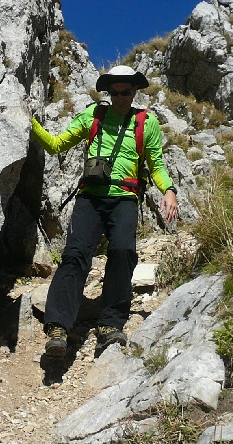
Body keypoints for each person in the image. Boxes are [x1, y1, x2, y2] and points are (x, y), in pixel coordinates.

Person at [32, 65, 178, 364]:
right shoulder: (93, 116)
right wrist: (30, 124)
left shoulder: (146, 123)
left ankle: (110, 323)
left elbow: (156, 164)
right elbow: (57, 145)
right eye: (115, 92)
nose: (121, 97)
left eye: (127, 92)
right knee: (74, 254)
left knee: (123, 251)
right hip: (90, 198)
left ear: (135, 92)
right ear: (108, 92)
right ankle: (58, 327)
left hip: (125, 198)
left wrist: (169, 190)